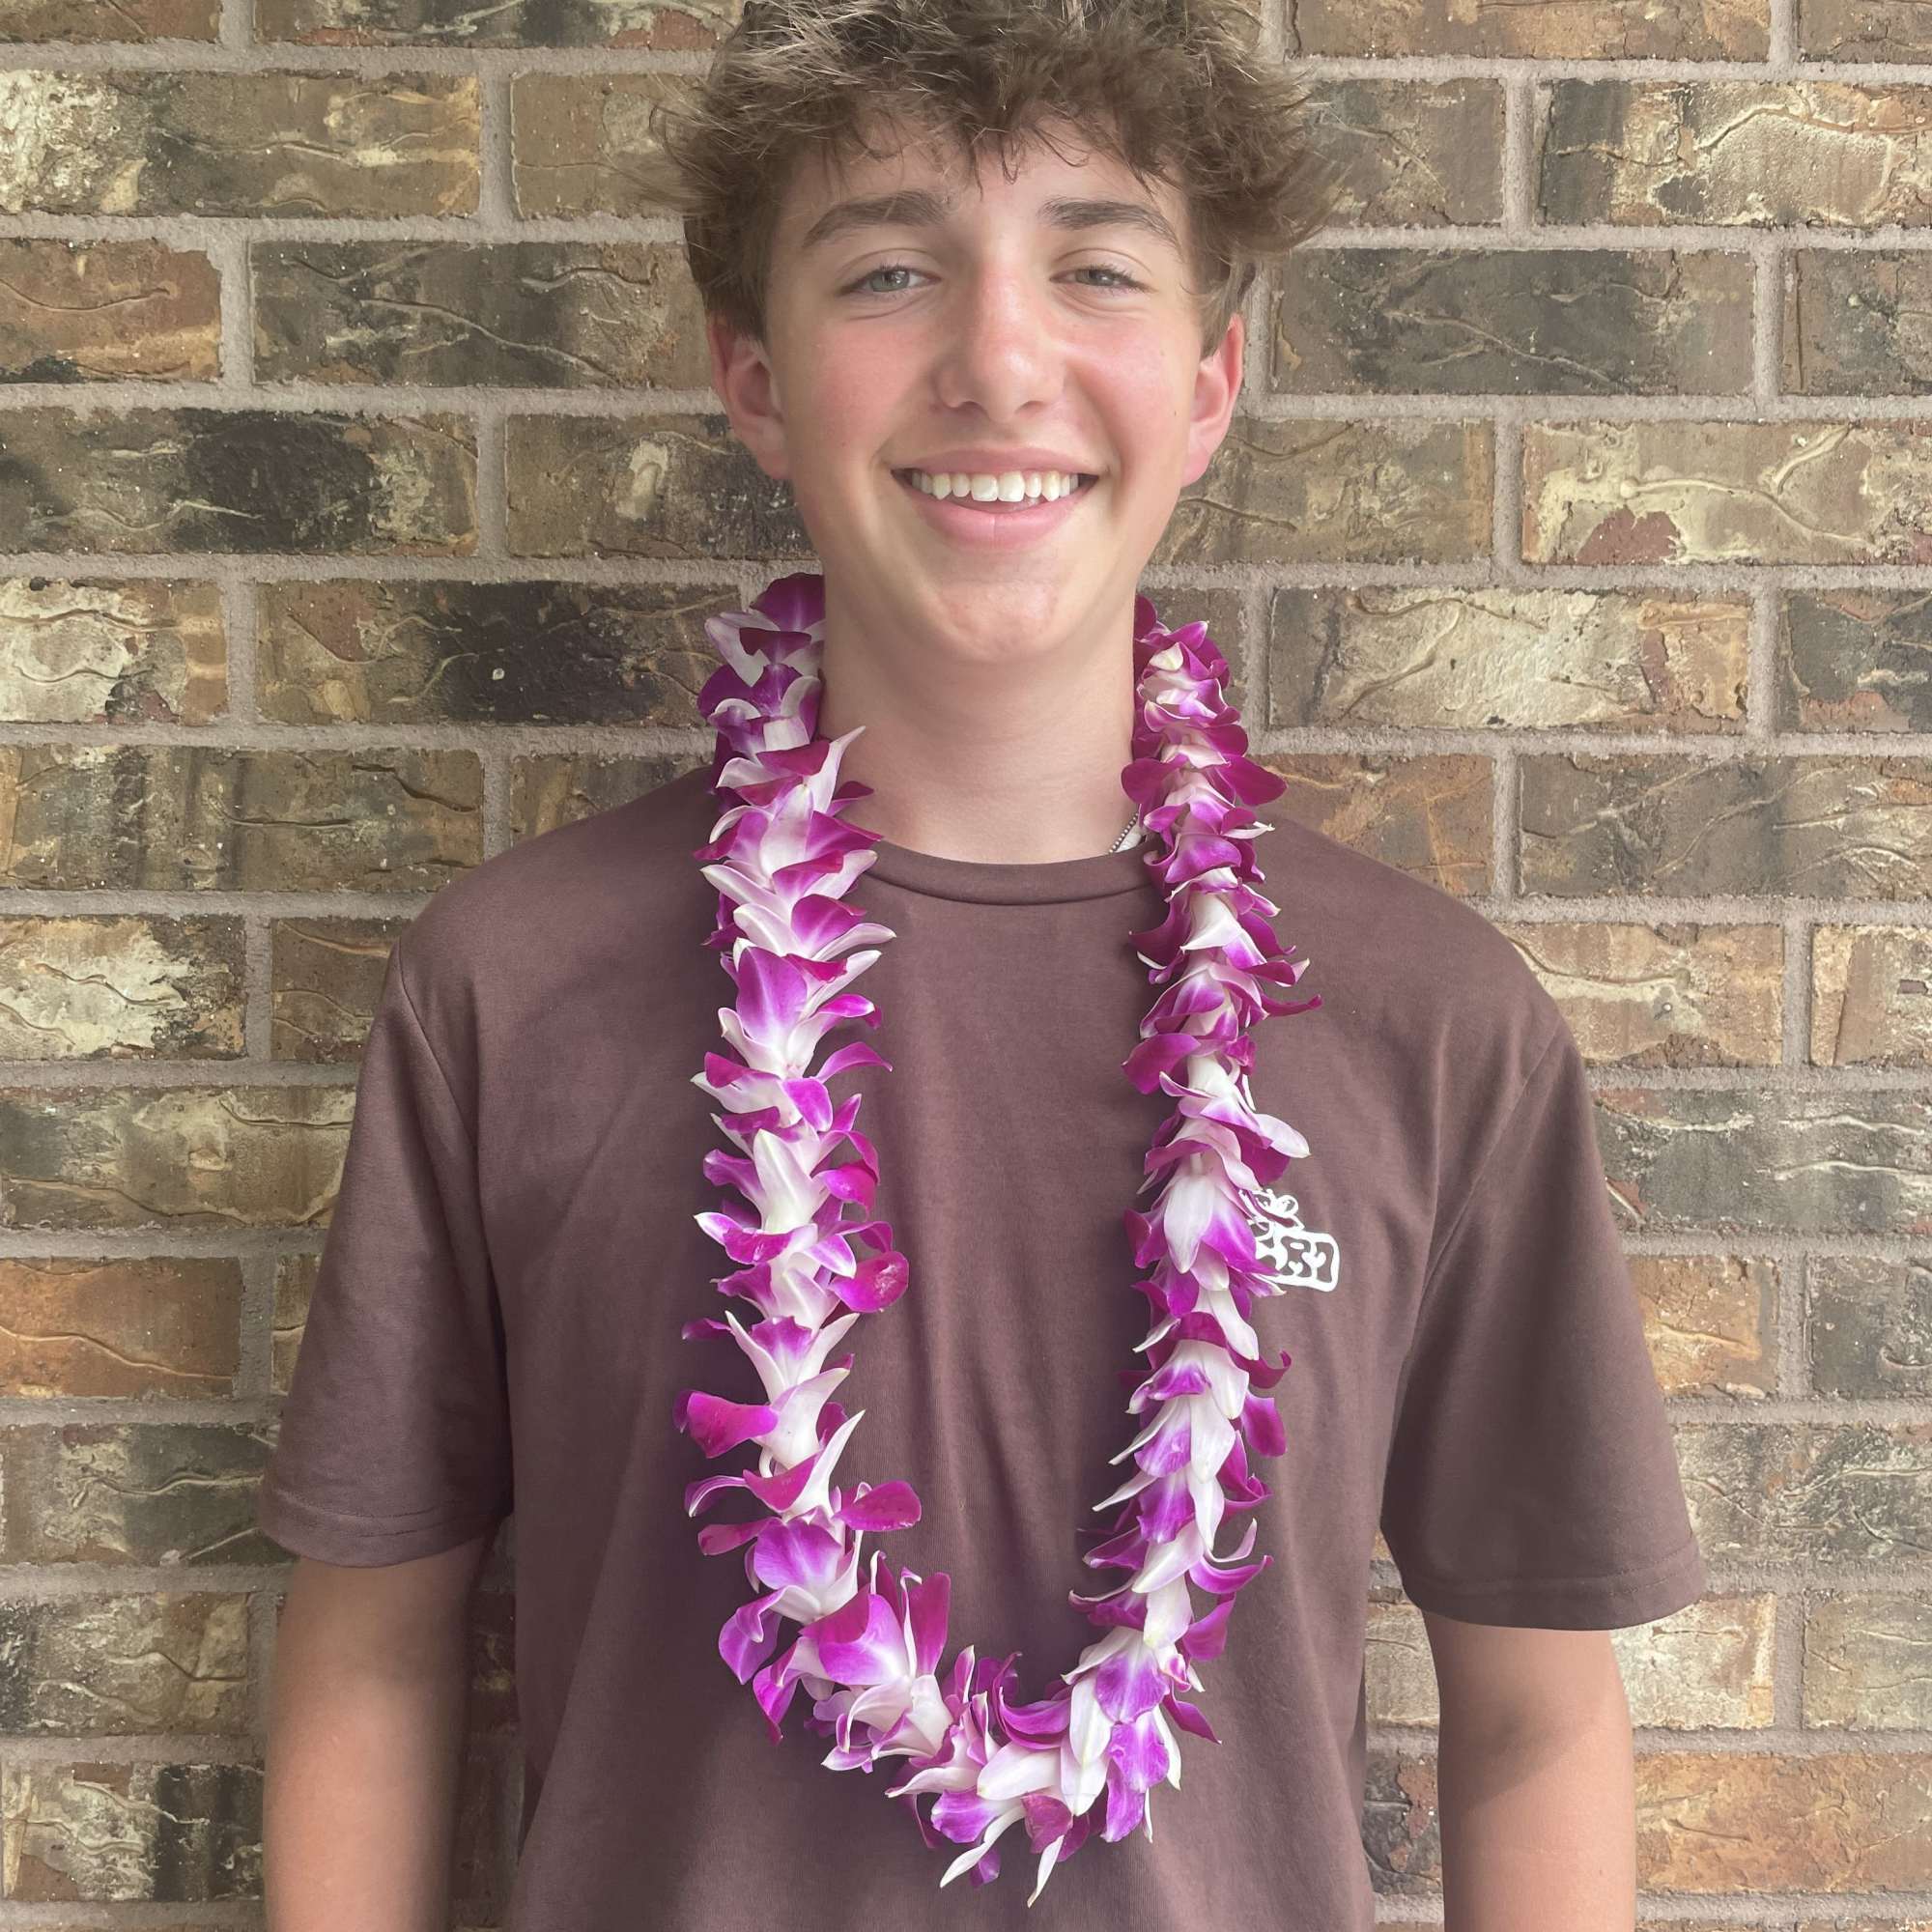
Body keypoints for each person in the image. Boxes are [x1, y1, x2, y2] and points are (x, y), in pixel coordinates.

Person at [257, 0, 1708, 1924]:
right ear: (757, 381)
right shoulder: (510, 989)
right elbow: (372, 1653)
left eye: (1093, 266)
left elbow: (1531, 1714)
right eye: (888, 271)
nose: (999, 359)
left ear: (1205, 384)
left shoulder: (1431, 1022)